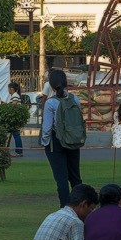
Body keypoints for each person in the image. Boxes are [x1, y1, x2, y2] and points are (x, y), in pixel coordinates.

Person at [40, 68, 85, 205]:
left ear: (51, 85)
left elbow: (47, 128)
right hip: (73, 139)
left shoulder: (51, 103)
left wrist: (44, 142)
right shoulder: (75, 99)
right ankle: (81, 206)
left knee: (61, 179)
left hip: (56, 142)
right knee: (75, 177)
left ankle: (65, 208)